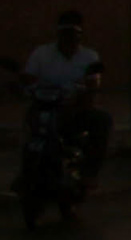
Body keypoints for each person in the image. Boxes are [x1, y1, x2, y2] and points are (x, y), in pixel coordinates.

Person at [22, 10, 110, 175]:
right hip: (45, 107)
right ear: (58, 34)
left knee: (102, 120)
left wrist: (83, 97)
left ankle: (89, 173)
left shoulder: (89, 57)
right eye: (65, 33)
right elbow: (29, 78)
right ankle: (28, 172)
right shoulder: (41, 54)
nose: (69, 39)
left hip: (74, 109)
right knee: (31, 131)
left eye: (74, 34)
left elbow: (92, 86)